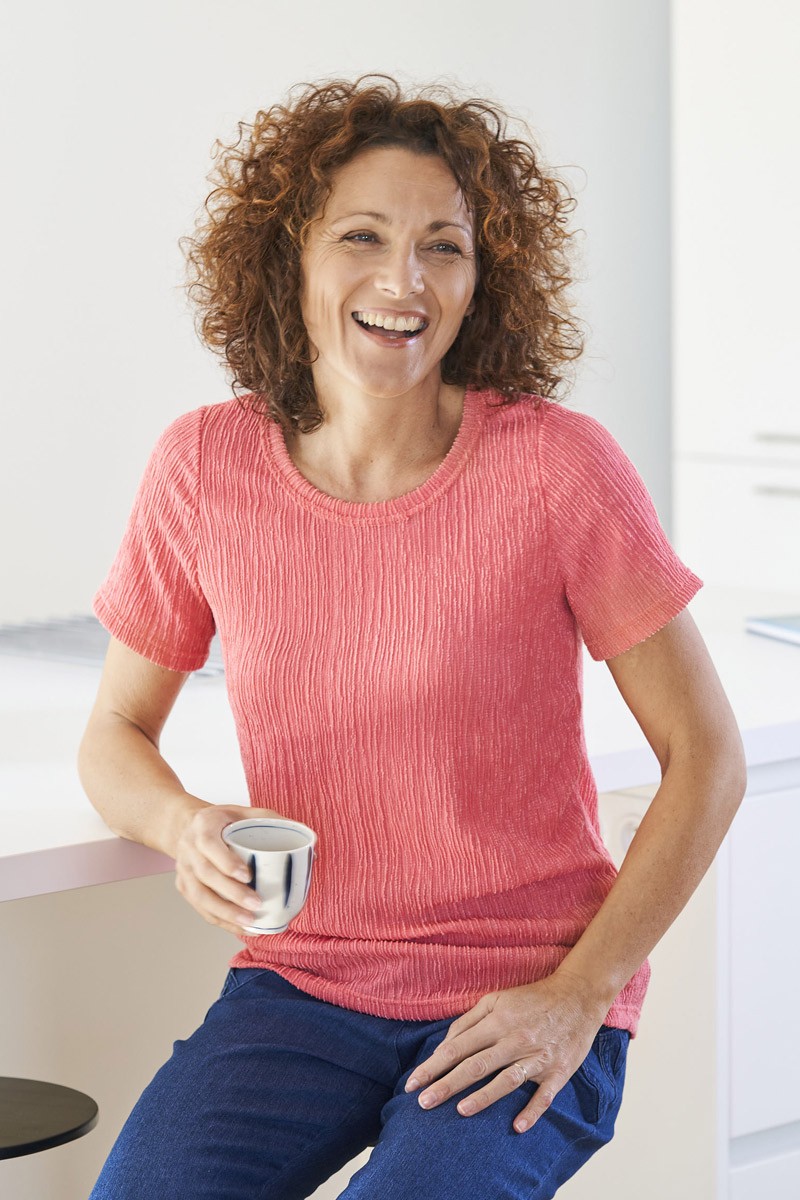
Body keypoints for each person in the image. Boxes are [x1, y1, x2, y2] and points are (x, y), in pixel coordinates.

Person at [79, 74, 746, 1199]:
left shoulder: (555, 468)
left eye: (443, 247)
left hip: (525, 992)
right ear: (286, 258)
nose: (404, 281)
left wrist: (580, 994)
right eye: (362, 237)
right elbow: (116, 731)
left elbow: (707, 758)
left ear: (482, 281)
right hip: (303, 987)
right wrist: (181, 821)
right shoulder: (204, 467)